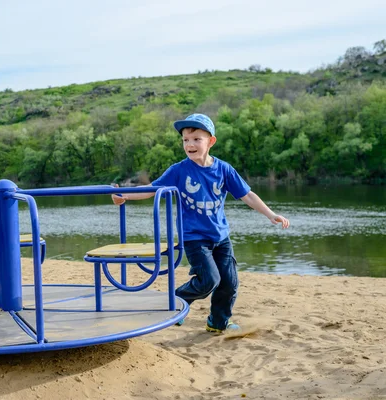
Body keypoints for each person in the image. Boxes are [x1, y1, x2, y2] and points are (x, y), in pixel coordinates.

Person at [112, 113, 290, 333]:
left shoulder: (224, 169)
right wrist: (125, 195)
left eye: (196, 139)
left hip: (220, 237)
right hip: (194, 238)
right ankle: (175, 303)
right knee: (208, 281)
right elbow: (151, 190)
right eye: (186, 140)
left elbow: (248, 195)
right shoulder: (179, 171)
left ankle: (217, 323)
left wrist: (271, 215)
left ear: (211, 141)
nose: (190, 144)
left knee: (229, 284)